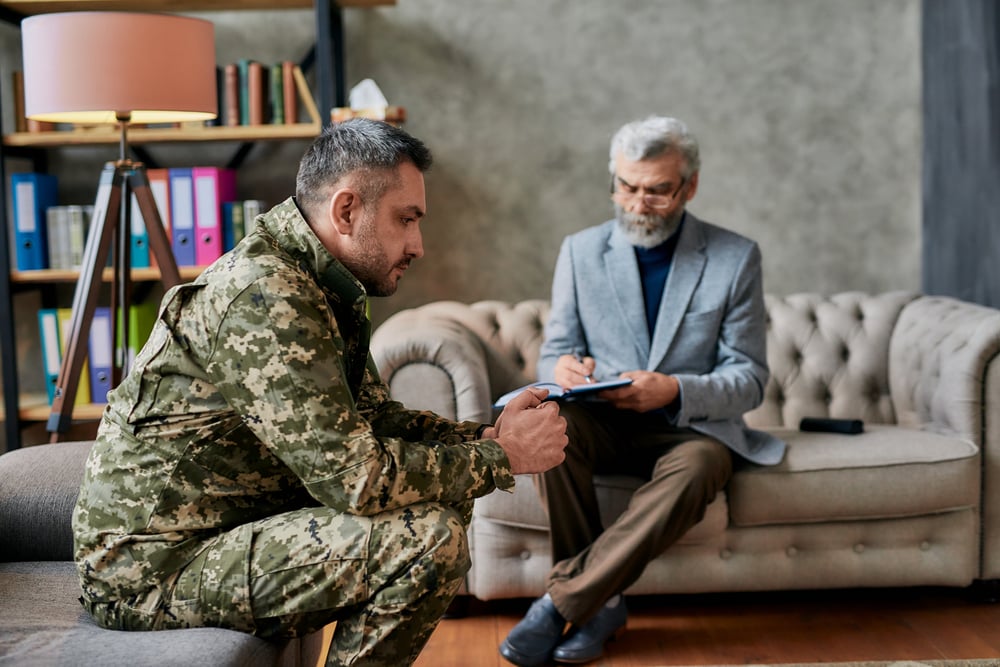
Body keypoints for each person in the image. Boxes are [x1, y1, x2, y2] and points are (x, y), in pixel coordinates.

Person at [72, 118, 569, 667]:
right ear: (347, 210)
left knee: (439, 502)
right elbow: (357, 481)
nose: (418, 246)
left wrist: (484, 434)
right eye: (406, 220)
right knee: (427, 538)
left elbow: (375, 419)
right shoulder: (265, 297)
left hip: (221, 531)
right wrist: (503, 455)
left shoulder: (320, 285)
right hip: (152, 568)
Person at [499, 116, 787, 666]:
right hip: (602, 420)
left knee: (702, 465)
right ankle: (596, 606)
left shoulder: (735, 257)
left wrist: (674, 389)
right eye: (627, 186)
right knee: (550, 431)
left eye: (656, 190)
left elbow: (750, 378)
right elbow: (555, 351)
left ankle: (566, 603)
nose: (637, 203)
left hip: (690, 430)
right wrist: (563, 371)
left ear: (689, 187)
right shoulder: (581, 252)